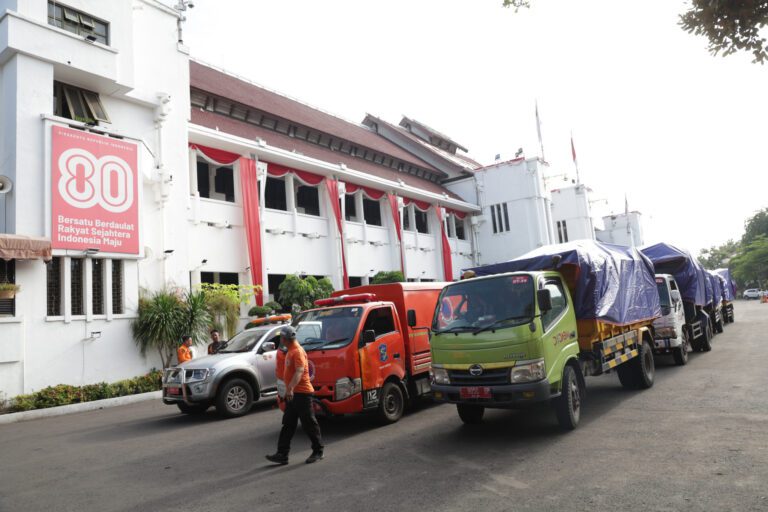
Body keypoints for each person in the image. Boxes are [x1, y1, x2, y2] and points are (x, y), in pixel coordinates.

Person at [266, 325, 324, 465]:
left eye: (282, 337)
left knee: (309, 423)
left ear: (285, 339)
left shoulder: (297, 351)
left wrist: (290, 388)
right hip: (293, 394)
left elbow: (299, 371)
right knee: (288, 424)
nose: (281, 339)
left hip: (302, 394)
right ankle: (282, 454)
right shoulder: (290, 350)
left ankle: (318, 451)